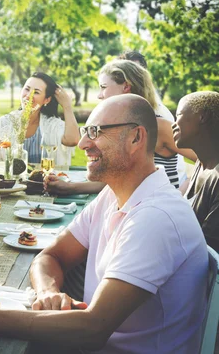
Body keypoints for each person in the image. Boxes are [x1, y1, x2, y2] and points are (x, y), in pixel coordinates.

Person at [0, 94, 208, 353]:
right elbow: (51, 256)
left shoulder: (156, 217)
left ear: (136, 138)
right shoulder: (115, 193)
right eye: (86, 132)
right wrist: (48, 294)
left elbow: (92, 329)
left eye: (95, 132)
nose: (83, 143)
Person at [45, 60, 197, 196]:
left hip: (157, 211)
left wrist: (183, 191)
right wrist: (68, 187)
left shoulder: (158, 126)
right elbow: (115, 178)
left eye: (103, 87)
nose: (99, 95)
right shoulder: (119, 126)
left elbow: (210, 161)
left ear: (126, 86)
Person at [118, 49, 188, 184]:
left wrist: (186, 188)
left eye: (135, 72)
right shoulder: (122, 118)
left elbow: (206, 160)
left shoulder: (159, 119)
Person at [0, 72, 80, 167]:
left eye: (36, 92)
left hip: (45, 181)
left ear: (47, 100)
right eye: (27, 89)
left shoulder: (52, 125)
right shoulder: (5, 123)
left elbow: (73, 140)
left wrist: (67, 106)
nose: (28, 95)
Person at [174, 91, 219, 252]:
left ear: (203, 116)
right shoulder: (202, 163)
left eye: (178, 115)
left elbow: (209, 249)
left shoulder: (217, 177)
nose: (173, 124)